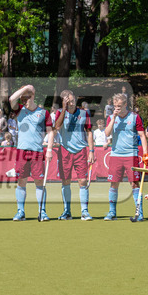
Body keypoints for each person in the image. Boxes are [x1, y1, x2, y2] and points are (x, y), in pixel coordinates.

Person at [8, 84, 53, 221]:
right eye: (22, 98)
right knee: (21, 181)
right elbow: (11, 99)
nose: (23, 101)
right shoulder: (19, 110)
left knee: (39, 181)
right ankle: (20, 211)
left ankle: (42, 211)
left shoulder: (43, 113)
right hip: (22, 151)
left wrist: (49, 150)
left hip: (37, 151)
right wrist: (25, 88)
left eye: (26, 98)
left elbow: (50, 133)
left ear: (32, 96)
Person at [104, 92, 148, 221]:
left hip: (131, 154)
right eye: (115, 105)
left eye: (119, 105)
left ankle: (138, 212)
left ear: (125, 105)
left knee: (134, 184)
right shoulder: (111, 117)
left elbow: (142, 136)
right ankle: (112, 212)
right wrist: (113, 118)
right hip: (115, 155)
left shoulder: (135, 117)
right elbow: (107, 134)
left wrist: (145, 154)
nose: (116, 108)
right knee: (114, 184)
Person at [53, 89, 95, 220]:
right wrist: (64, 109)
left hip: (81, 150)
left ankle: (85, 211)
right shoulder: (60, 112)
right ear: (63, 101)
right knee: (66, 181)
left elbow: (89, 132)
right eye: (68, 101)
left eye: (72, 100)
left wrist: (91, 151)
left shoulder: (83, 113)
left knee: (82, 181)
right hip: (65, 150)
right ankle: (67, 211)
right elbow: (57, 127)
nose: (71, 103)